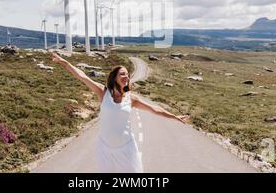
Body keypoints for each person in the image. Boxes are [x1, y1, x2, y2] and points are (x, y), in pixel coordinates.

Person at [51, 52, 189, 173]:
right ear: (115, 77)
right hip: (104, 148)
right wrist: (65, 63)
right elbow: (82, 76)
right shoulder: (103, 92)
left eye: (128, 75)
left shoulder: (132, 98)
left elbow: (155, 109)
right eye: (122, 74)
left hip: (127, 148)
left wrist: (174, 116)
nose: (126, 76)